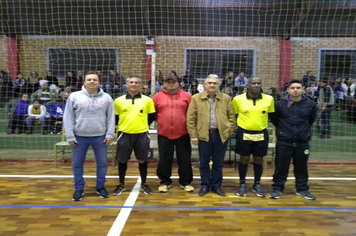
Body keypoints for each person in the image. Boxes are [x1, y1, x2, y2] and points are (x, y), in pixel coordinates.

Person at [63, 71, 115, 201]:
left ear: (99, 82)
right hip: (79, 136)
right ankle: (79, 189)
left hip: (100, 136)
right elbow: (68, 116)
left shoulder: (107, 98)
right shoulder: (74, 96)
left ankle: (100, 187)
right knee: (77, 164)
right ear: (84, 82)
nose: (92, 81)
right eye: (89, 79)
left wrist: (109, 134)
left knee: (102, 163)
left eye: (94, 80)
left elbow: (111, 118)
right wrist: (69, 135)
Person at [187, 74, 235, 197]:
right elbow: (191, 119)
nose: (212, 85)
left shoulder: (226, 98)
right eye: (210, 83)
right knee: (203, 162)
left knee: (218, 163)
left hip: (220, 135)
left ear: (219, 85)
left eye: (215, 83)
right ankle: (204, 185)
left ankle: (216, 186)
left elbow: (231, 117)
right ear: (204, 85)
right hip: (203, 135)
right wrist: (193, 135)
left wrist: (228, 131)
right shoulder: (196, 98)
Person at [270, 79, 317, 200]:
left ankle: (302, 189)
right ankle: (277, 188)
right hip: (284, 141)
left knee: (301, 167)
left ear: (302, 89)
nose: (295, 90)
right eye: (293, 88)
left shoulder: (310, 104)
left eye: (298, 88)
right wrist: (284, 132)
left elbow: (310, 120)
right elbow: (275, 120)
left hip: (302, 142)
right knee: (281, 166)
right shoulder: (279, 104)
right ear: (288, 90)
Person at [232, 77, 274, 198]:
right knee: (244, 159)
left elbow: (271, 116)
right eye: (253, 83)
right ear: (248, 85)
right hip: (244, 133)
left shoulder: (269, 99)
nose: (256, 85)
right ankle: (242, 184)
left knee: (258, 160)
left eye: (258, 83)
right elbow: (234, 116)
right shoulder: (237, 99)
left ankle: (257, 184)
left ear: (261, 85)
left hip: (261, 133)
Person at [113, 75, 156, 195]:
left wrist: (142, 125)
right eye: (131, 82)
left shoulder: (147, 100)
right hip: (124, 134)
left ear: (140, 85)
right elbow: (115, 118)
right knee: (122, 161)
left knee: (142, 160)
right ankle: (121, 184)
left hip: (142, 134)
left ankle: (144, 184)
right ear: (127, 84)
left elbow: (152, 116)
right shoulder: (118, 101)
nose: (133, 84)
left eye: (136, 82)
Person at [153, 75, 194, 193]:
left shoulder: (187, 96)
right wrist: (162, 123)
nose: (171, 84)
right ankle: (164, 182)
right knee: (164, 159)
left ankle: (185, 182)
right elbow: (153, 113)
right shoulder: (157, 97)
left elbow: (191, 114)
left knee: (184, 159)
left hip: (183, 133)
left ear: (178, 83)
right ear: (164, 84)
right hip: (164, 134)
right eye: (168, 82)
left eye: (173, 82)